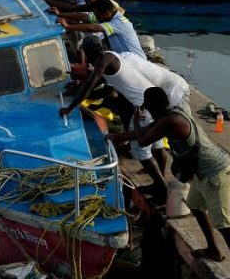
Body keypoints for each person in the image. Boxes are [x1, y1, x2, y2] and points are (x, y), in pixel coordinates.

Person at [113, 87, 230, 279]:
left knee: (224, 224)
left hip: (216, 172)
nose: (147, 111)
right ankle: (213, 249)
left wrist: (135, 122)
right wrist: (114, 137)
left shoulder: (171, 121)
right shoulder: (170, 115)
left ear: (154, 106)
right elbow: (145, 132)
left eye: (148, 107)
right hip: (202, 173)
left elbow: (143, 139)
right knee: (195, 206)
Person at [62, 50, 190, 195]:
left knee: (141, 151)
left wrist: (69, 108)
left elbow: (90, 85)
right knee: (156, 145)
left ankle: (161, 187)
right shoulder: (116, 58)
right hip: (153, 104)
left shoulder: (104, 61)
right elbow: (105, 89)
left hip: (146, 106)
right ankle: (160, 180)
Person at [57, 0, 145, 59]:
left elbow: (94, 28)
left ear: (106, 13)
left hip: (136, 61)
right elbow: (83, 16)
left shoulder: (119, 22)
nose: (95, 17)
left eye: (97, 15)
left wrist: (68, 26)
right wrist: (59, 14)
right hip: (124, 59)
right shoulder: (106, 16)